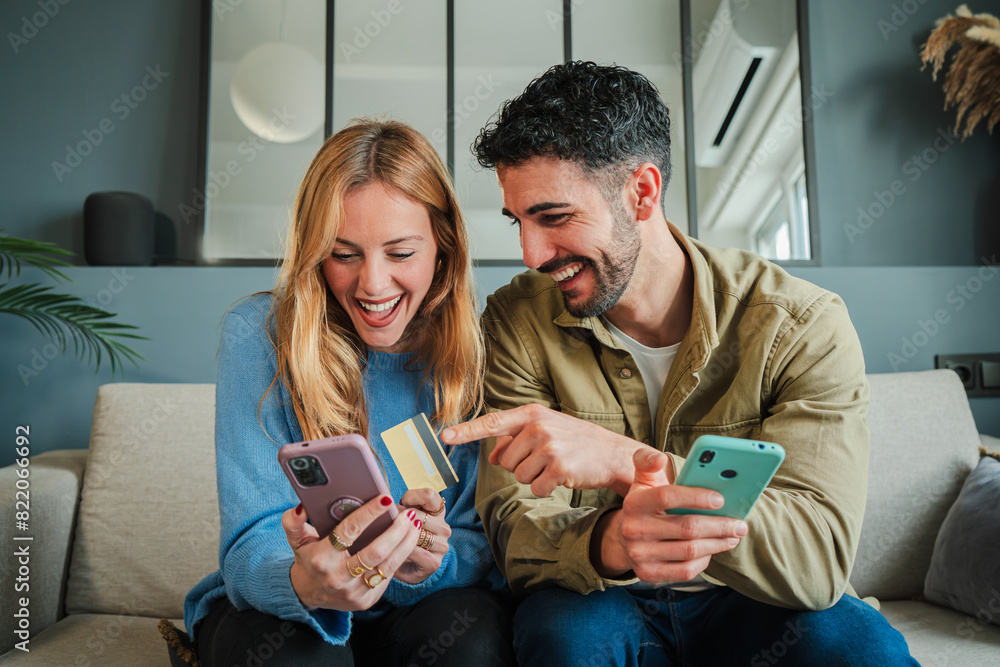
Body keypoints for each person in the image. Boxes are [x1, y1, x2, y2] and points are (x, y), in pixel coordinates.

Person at [441, 61, 917, 665]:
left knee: (860, 647)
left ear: (642, 192)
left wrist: (626, 465)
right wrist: (614, 541)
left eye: (555, 217)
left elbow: (817, 558)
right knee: (565, 638)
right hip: (604, 592)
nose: (532, 253)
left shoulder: (801, 325)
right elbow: (513, 525)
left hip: (749, 599)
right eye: (520, 222)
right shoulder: (517, 320)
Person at [183, 119, 512, 667]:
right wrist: (302, 580)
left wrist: (432, 564)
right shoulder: (257, 334)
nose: (373, 285)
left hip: (422, 609)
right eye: (344, 253)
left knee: (472, 641)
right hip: (290, 611)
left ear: (444, 249)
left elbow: (483, 539)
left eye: (401, 253)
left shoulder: (481, 352)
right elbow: (249, 539)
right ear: (314, 252)